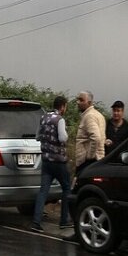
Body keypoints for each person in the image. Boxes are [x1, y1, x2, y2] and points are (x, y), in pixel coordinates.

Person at [31, 96, 72, 233]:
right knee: (66, 188)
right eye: (65, 107)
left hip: (46, 161)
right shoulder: (59, 120)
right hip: (59, 162)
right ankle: (64, 221)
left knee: (43, 191)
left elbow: (37, 136)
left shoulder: (43, 118)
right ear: (62, 107)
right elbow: (62, 138)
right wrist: (66, 135)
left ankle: (36, 222)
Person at [75, 91, 106, 174]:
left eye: (81, 100)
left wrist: (90, 156)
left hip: (87, 162)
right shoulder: (98, 115)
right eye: (78, 100)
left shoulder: (89, 116)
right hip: (97, 159)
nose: (78, 102)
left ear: (89, 102)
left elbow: (96, 138)